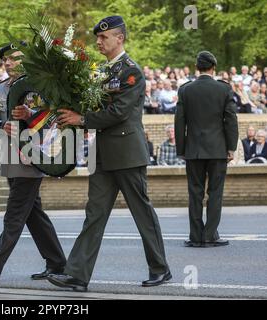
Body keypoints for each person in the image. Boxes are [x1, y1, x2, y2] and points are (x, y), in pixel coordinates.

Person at [49, 16, 171, 291]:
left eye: (104, 37)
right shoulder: (103, 71)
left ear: (120, 38)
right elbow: (93, 104)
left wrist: (81, 119)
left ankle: (160, 269)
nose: (99, 42)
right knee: (94, 213)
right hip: (103, 154)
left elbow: (118, 112)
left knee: (142, 213)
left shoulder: (132, 72)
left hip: (127, 153)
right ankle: (77, 275)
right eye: (98, 38)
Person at [0, 42, 66, 287]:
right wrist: (3, 125)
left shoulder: (38, 84)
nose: (8, 63)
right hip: (10, 157)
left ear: (25, 60)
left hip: (30, 156)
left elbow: (51, 117)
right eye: (5, 60)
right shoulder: (1, 89)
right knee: (34, 215)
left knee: (15, 213)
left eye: (13, 59)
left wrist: (29, 118)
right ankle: (57, 262)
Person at [175, 51, 238, 248]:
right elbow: (231, 120)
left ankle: (195, 236)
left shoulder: (185, 90)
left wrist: (181, 148)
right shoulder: (224, 89)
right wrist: (231, 147)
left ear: (197, 67)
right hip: (218, 149)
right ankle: (210, 235)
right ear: (213, 68)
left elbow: (179, 122)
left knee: (195, 193)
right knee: (215, 193)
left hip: (194, 150)